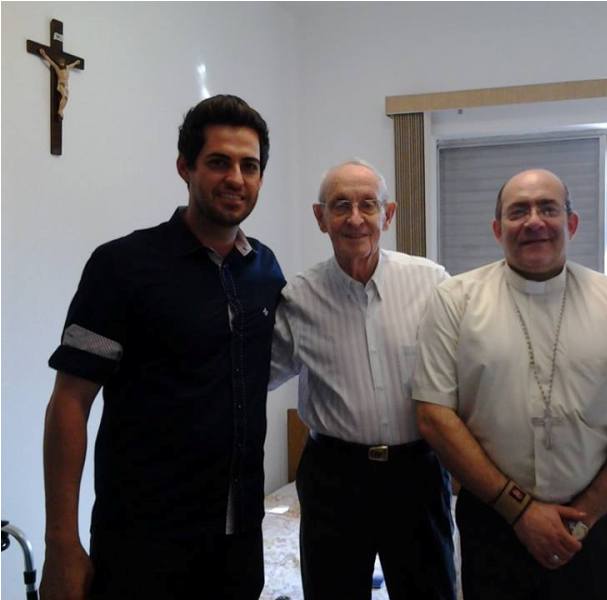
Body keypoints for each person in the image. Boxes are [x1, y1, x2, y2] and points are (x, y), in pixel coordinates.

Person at [40, 95, 285, 600]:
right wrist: (61, 542)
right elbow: (69, 402)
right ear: (185, 167)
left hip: (239, 547)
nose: (236, 178)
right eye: (219, 162)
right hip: (143, 549)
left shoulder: (265, 269)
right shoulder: (121, 267)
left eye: (250, 165)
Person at [412, 168, 607, 600]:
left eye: (548, 208)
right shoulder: (454, 300)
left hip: (590, 526)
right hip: (493, 522)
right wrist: (520, 511)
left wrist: (581, 519)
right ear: (497, 229)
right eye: (517, 211)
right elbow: (433, 415)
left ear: (572, 222)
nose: (534, 222)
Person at [270, 159, 457, 600]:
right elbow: (253, 375)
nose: (355, 219)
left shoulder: (432, 284)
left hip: (417, 472)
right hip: (334, 476)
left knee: (430, 591)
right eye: (340, 206)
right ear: (321, 218)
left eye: (368, 205)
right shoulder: (298, 298)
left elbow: (480, 359)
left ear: (387, 215)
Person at [38, 48, 81, 119]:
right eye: (60, 63)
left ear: (64, 63)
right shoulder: (57, 68)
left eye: (62, 62)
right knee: (64, 96)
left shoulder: (67, 68)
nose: (61, 64)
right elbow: (50, 61)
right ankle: (60, 110)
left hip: (66, 87)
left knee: (66, 98)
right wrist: (44, 54)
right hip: (61, 85)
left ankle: (61, 110)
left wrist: (76, 62)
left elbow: (73, 65)